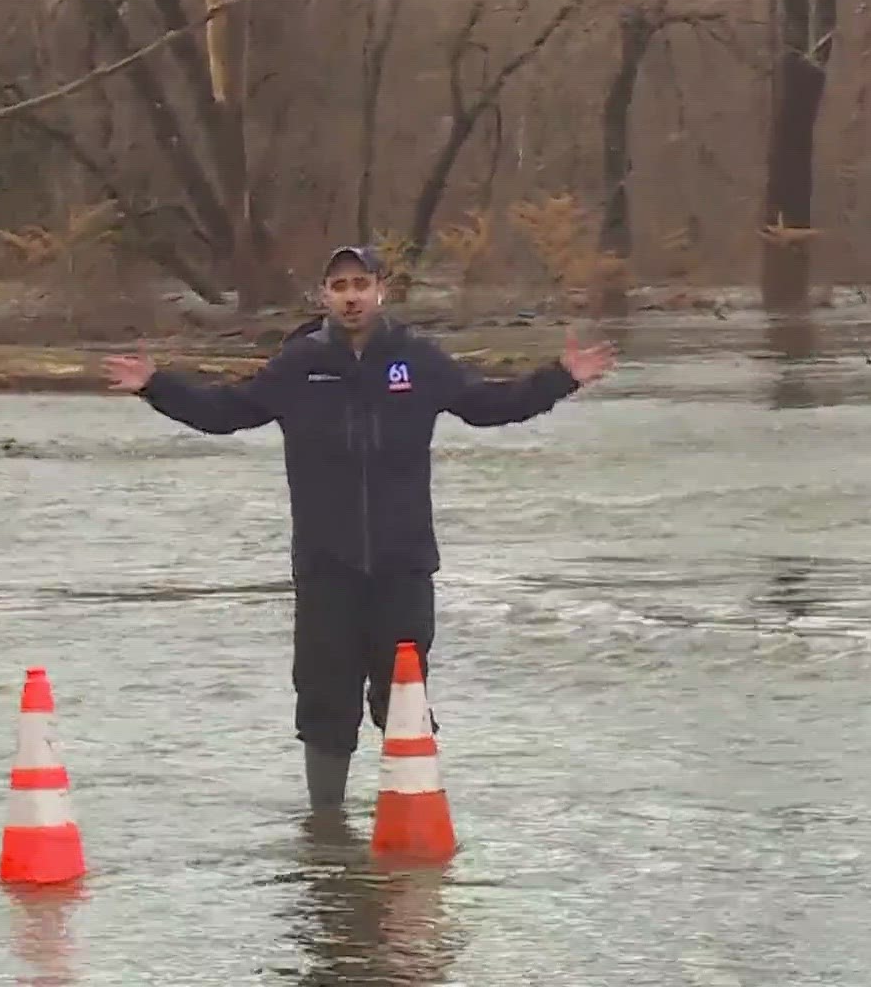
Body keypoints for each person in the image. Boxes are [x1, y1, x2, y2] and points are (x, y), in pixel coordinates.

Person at [104, 246, 616, 810]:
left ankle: (413, 814)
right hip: (326, 568)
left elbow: (487, 405)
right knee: (325, 699)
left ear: (381, 290)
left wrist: (561, 379)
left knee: (404, 695)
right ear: (324, 295)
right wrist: (156, 386)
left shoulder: (417, 360)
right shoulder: (300, 365)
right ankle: (327, 832)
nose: (351, 296)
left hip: (404, 564)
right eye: (339, 285)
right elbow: (227, 411)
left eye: (361, 284)